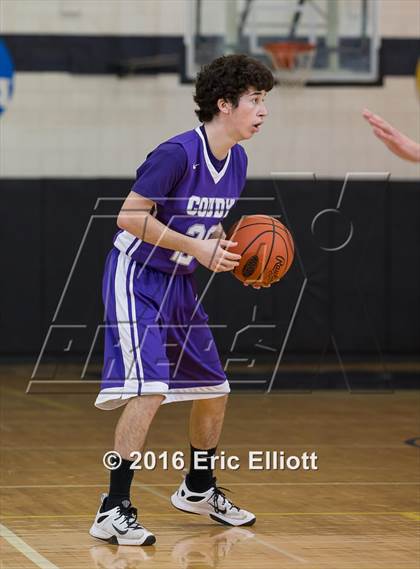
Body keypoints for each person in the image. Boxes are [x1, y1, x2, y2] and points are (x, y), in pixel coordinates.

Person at [89, 54, 274, 546]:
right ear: (224, 103)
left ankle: (197, 488)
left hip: (179, 284)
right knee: (151, 390)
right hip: (137, 277)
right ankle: (113, 507)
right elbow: (128, 217)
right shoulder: (176, 153)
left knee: (215, 390)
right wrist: (197, 248)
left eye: (263, 101)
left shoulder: (238, 161)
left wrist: (228, 252)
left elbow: (204, 224)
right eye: (254, 100)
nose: (262, 111)